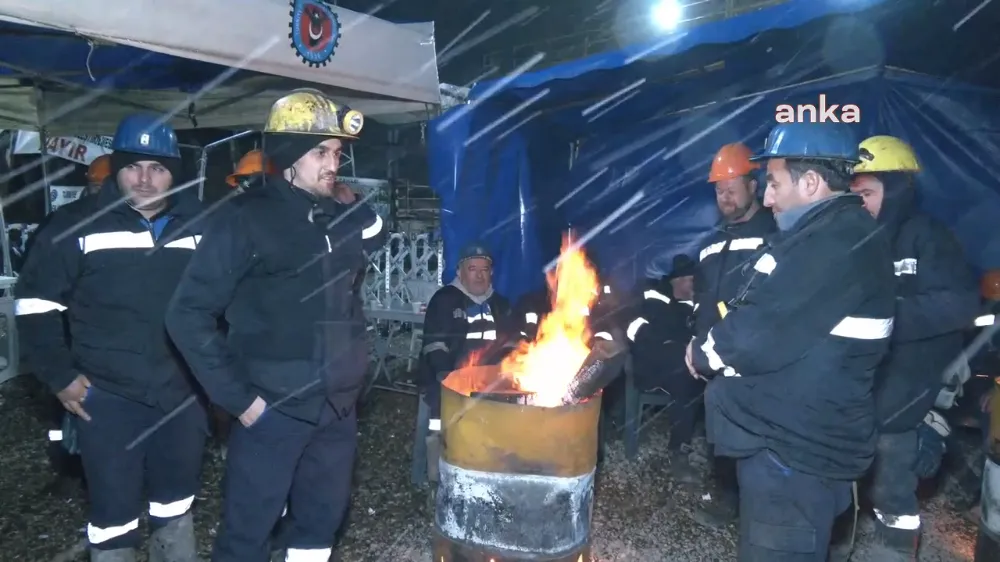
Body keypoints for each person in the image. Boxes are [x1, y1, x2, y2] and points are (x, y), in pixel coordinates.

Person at [165, 89, 385, 562]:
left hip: (338, 411)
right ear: (288, 157)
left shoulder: (337, 217)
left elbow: (373, 238)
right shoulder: (246, 220)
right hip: (273, 411)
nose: (333, 163)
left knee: (318, 528)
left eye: (337, 154)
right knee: (247, 536)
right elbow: (186, 313)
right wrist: (240, 400)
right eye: (321, 153)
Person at [685, 122, 896, 562]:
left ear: (812, 182)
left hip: (796, 456)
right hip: (798, 445)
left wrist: (704, 354)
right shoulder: (832, 234)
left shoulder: (835, 243)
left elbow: (758, 330)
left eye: (775, 183)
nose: (767, 197)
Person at [15, 113, 207, 562]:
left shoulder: (201, 224)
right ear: (116, 168)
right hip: (107, 396)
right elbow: (35, 305)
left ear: (173, 174)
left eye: (157, 168)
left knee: (176, 500)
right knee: (114, 511)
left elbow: (225, 300)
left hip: (182, 394)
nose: (145, 178)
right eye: (133, 166)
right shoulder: (75, 225)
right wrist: (60, 377)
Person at [836, 135, 979, 557]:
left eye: (868, 193)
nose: (859, 202)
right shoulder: (855, 243)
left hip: (904, 401)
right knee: (839, 492)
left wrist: (886, 316)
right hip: (857, 395)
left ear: (897, 189)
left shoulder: (928, 238)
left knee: (893, 499)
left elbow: (958, 306)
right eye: (854, 194)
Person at [693, 142, 777, 527]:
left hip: (761, 360)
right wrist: (697, 342)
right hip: (718, 357)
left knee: (763, 437)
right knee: (722, 430)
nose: (724, 196)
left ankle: (762, 507)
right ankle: (727, 496)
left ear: (754, 185)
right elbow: (703, 301)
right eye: (718, 189)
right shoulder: (710, 243)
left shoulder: (777, 234)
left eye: (732, 186)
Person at [626, 254, 699, 482]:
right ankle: (679, 452)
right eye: (691, 280)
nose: (696, 285)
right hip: (650, 366)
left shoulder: (696, 306)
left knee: (695, 376)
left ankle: (723, 460)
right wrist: (673, 345)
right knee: (686, 374)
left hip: (684, 366)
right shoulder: (654, 298)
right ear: (678, 281)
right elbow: (635, 329)